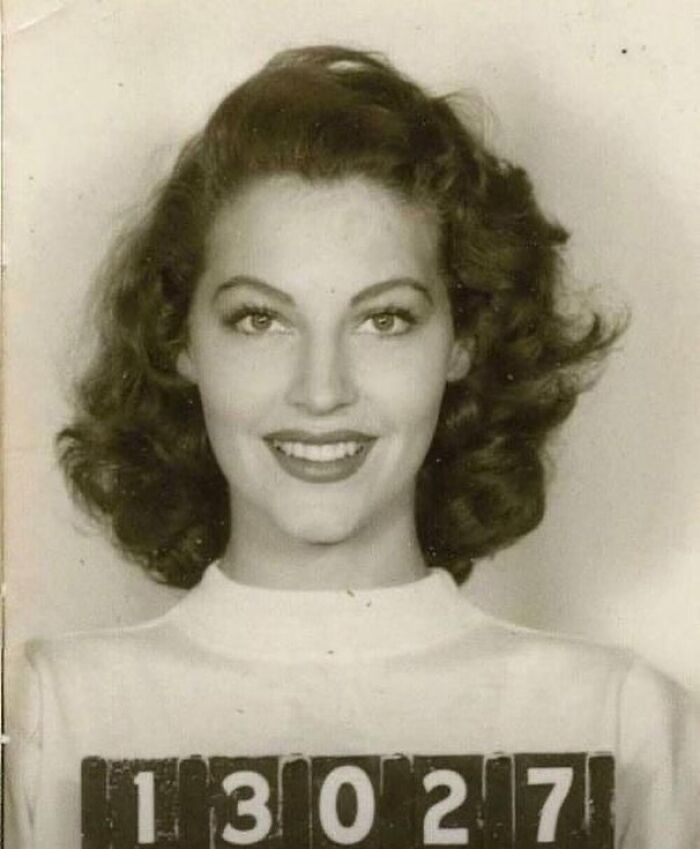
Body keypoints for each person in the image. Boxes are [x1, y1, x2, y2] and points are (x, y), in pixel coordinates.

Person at [8, 45, 699, 848]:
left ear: (463, 338)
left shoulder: (619, 724)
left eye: (386, 318)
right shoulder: (51, 719)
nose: (323, 389)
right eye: (259, 318)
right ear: (180, 340)